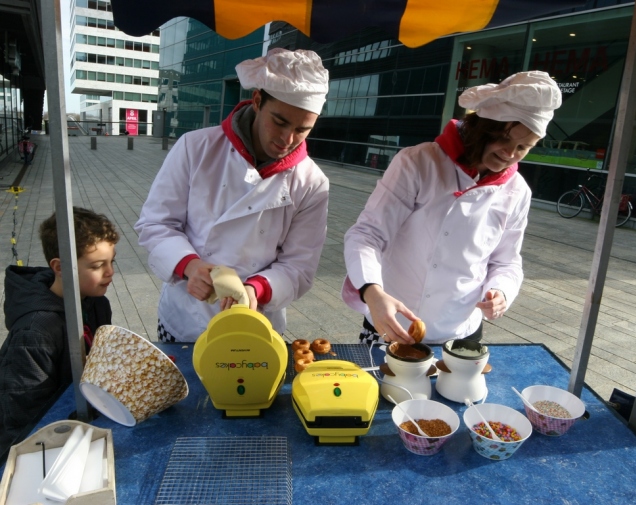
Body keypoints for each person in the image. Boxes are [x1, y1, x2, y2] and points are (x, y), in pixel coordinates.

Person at [342, 71, 562, 345]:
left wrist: (501, 291)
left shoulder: (517, 191)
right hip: (390, 321)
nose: (510, 154)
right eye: (504, 140)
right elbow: (367, 235)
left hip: (461, 333)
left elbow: (506, 261)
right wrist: (372, 293)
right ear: (483, 127)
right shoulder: (418, 162)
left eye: (523, 147)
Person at [135, 48, 330, 342]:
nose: (286, 139)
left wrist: (257, 289)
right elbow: (156, 224)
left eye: (302, 129)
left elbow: (299, 266)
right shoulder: (195, 147)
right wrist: (189, 265)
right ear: (258, 100)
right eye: (279, 121)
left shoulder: (311, 182)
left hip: (257, 324)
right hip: (186, 318)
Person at [0, 207, 118, 457]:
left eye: (112, 261)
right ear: (60, 266)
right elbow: (22, 413)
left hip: (79, 424)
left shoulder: (97, 302)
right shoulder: (35, 332)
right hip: (42, 446)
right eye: (98, 265)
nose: (110, 272)